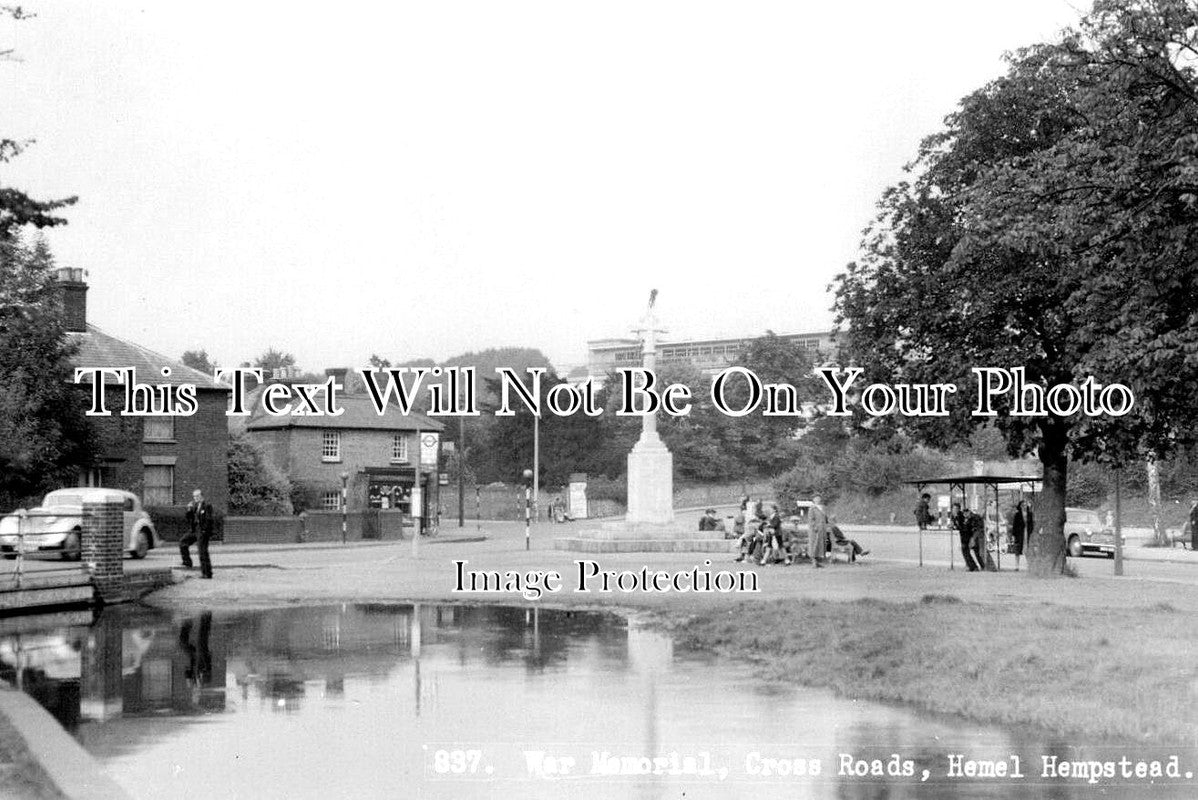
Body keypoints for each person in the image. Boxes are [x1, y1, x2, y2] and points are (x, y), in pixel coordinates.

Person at [182, 488, 215, 579]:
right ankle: (187, 562)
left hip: (202, 531)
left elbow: (209, 520)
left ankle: (207, 573)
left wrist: (205, 531)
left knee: (202, 552)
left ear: (202, 496)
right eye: (194, 496)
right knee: (183, 542)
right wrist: (189, 509)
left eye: (197, 496)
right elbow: (189, 518)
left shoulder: (207, 506)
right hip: (195, 530)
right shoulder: (195, 506)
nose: (195, 498)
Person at [951, 502, 982, 571]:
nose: (955, 510)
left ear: (959, 509)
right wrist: (954, 526)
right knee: (965, 551)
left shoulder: (962, 515)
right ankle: (972, 566)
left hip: (969, 534)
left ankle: (976, 566)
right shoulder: (953, 516)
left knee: (972, 550)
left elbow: (966, 525)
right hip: (963, 535)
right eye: (954, 509)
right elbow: (958, 526)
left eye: (956, 509)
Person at [1010, 499, 1033, 571]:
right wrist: (1013, 535)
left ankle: (1029, 566)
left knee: (1028, 549)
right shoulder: (1017, 515)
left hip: (1027, 533)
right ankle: (1017, 566)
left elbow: (1032, 524)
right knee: (1017, 550)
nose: (1024, 506)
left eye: (1025, 505)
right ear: (1020, 506)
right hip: (1019, 534)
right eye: (1023, 505)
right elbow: (1014, 525)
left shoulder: (1030, 514)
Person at [808, 495, 829, 568]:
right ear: (813, 499)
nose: (817, 499)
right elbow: (811, 520)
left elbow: (825, 518)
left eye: (819, 498)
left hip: (822, 529)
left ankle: (818, 562)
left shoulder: (822, 507)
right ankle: (813, 562)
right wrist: (815, 527)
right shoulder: (812, 508)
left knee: (820, 546)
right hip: (815, 530)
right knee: (814, 545)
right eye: (816, 498)